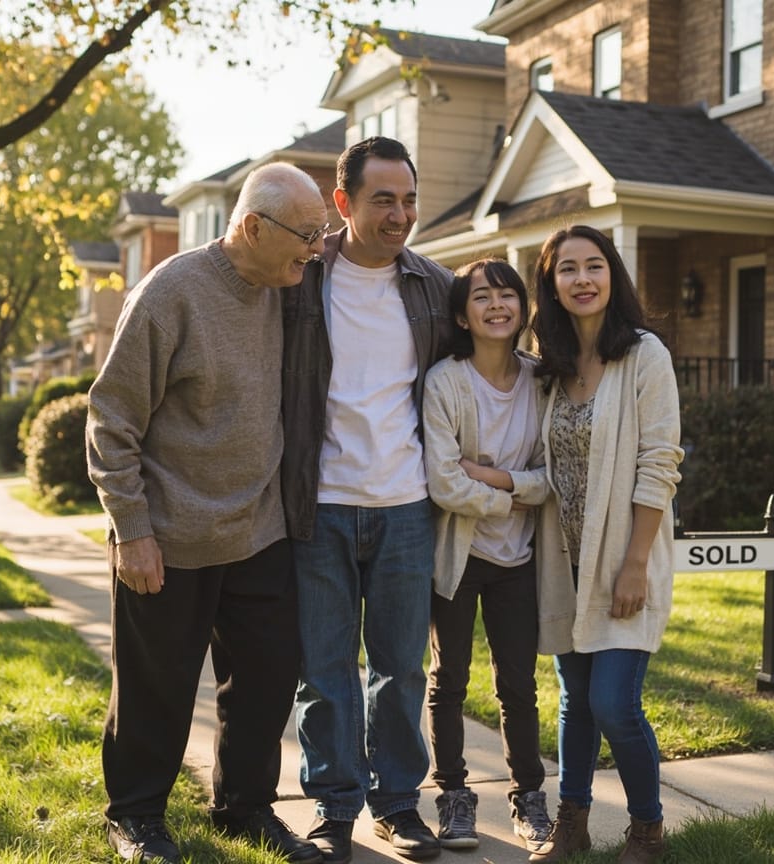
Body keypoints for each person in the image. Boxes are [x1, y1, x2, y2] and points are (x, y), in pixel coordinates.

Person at [86, 162, 332, 864]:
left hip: (258, 530)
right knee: (154, 689)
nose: (316, 250)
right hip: (166, 536)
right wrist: (132, 531)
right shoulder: (170, 294)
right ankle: (135, 817)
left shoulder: (283, 284)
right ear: (252, 226)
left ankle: (245, 809)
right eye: (306, 235)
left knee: (264, 683)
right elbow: (111, 419)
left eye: (322, 234)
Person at [281, 136, 454, 864]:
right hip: (317, 507)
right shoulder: (299, 280)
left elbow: (491, 361)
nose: (400, 214)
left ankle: (397, 805)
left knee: (401, 671)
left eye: (409, 199)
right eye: (383, 199)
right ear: (344, 203)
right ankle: (333, 808)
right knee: (323, 673)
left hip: (406, 506)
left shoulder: (435, 287)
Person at [527, 225, 683, 864]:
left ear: (613, 276)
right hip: (564, 564)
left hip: (624, 561)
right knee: (574, 703)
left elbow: (660, 461)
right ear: (553, 284)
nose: (583, 279)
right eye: (568, 269)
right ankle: (573, 826)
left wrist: (635, 564)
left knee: (613, 702)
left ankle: (646, 829)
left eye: (595, 266)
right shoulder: (550, 367)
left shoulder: (644, 355)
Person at [421, 258, 554, 853]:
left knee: (518, 685)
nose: (497, 305)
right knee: (448, 680)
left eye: (508, 294)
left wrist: (496, 478)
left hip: (519, 560)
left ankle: (529, 795)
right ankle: (453, 796)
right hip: (459, 553)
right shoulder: (445, 381)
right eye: (482, 297)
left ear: (523, 307)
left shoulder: (542, 380)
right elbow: (445, 483)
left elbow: (551, 478)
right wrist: (515, 494)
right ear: (461, 313)